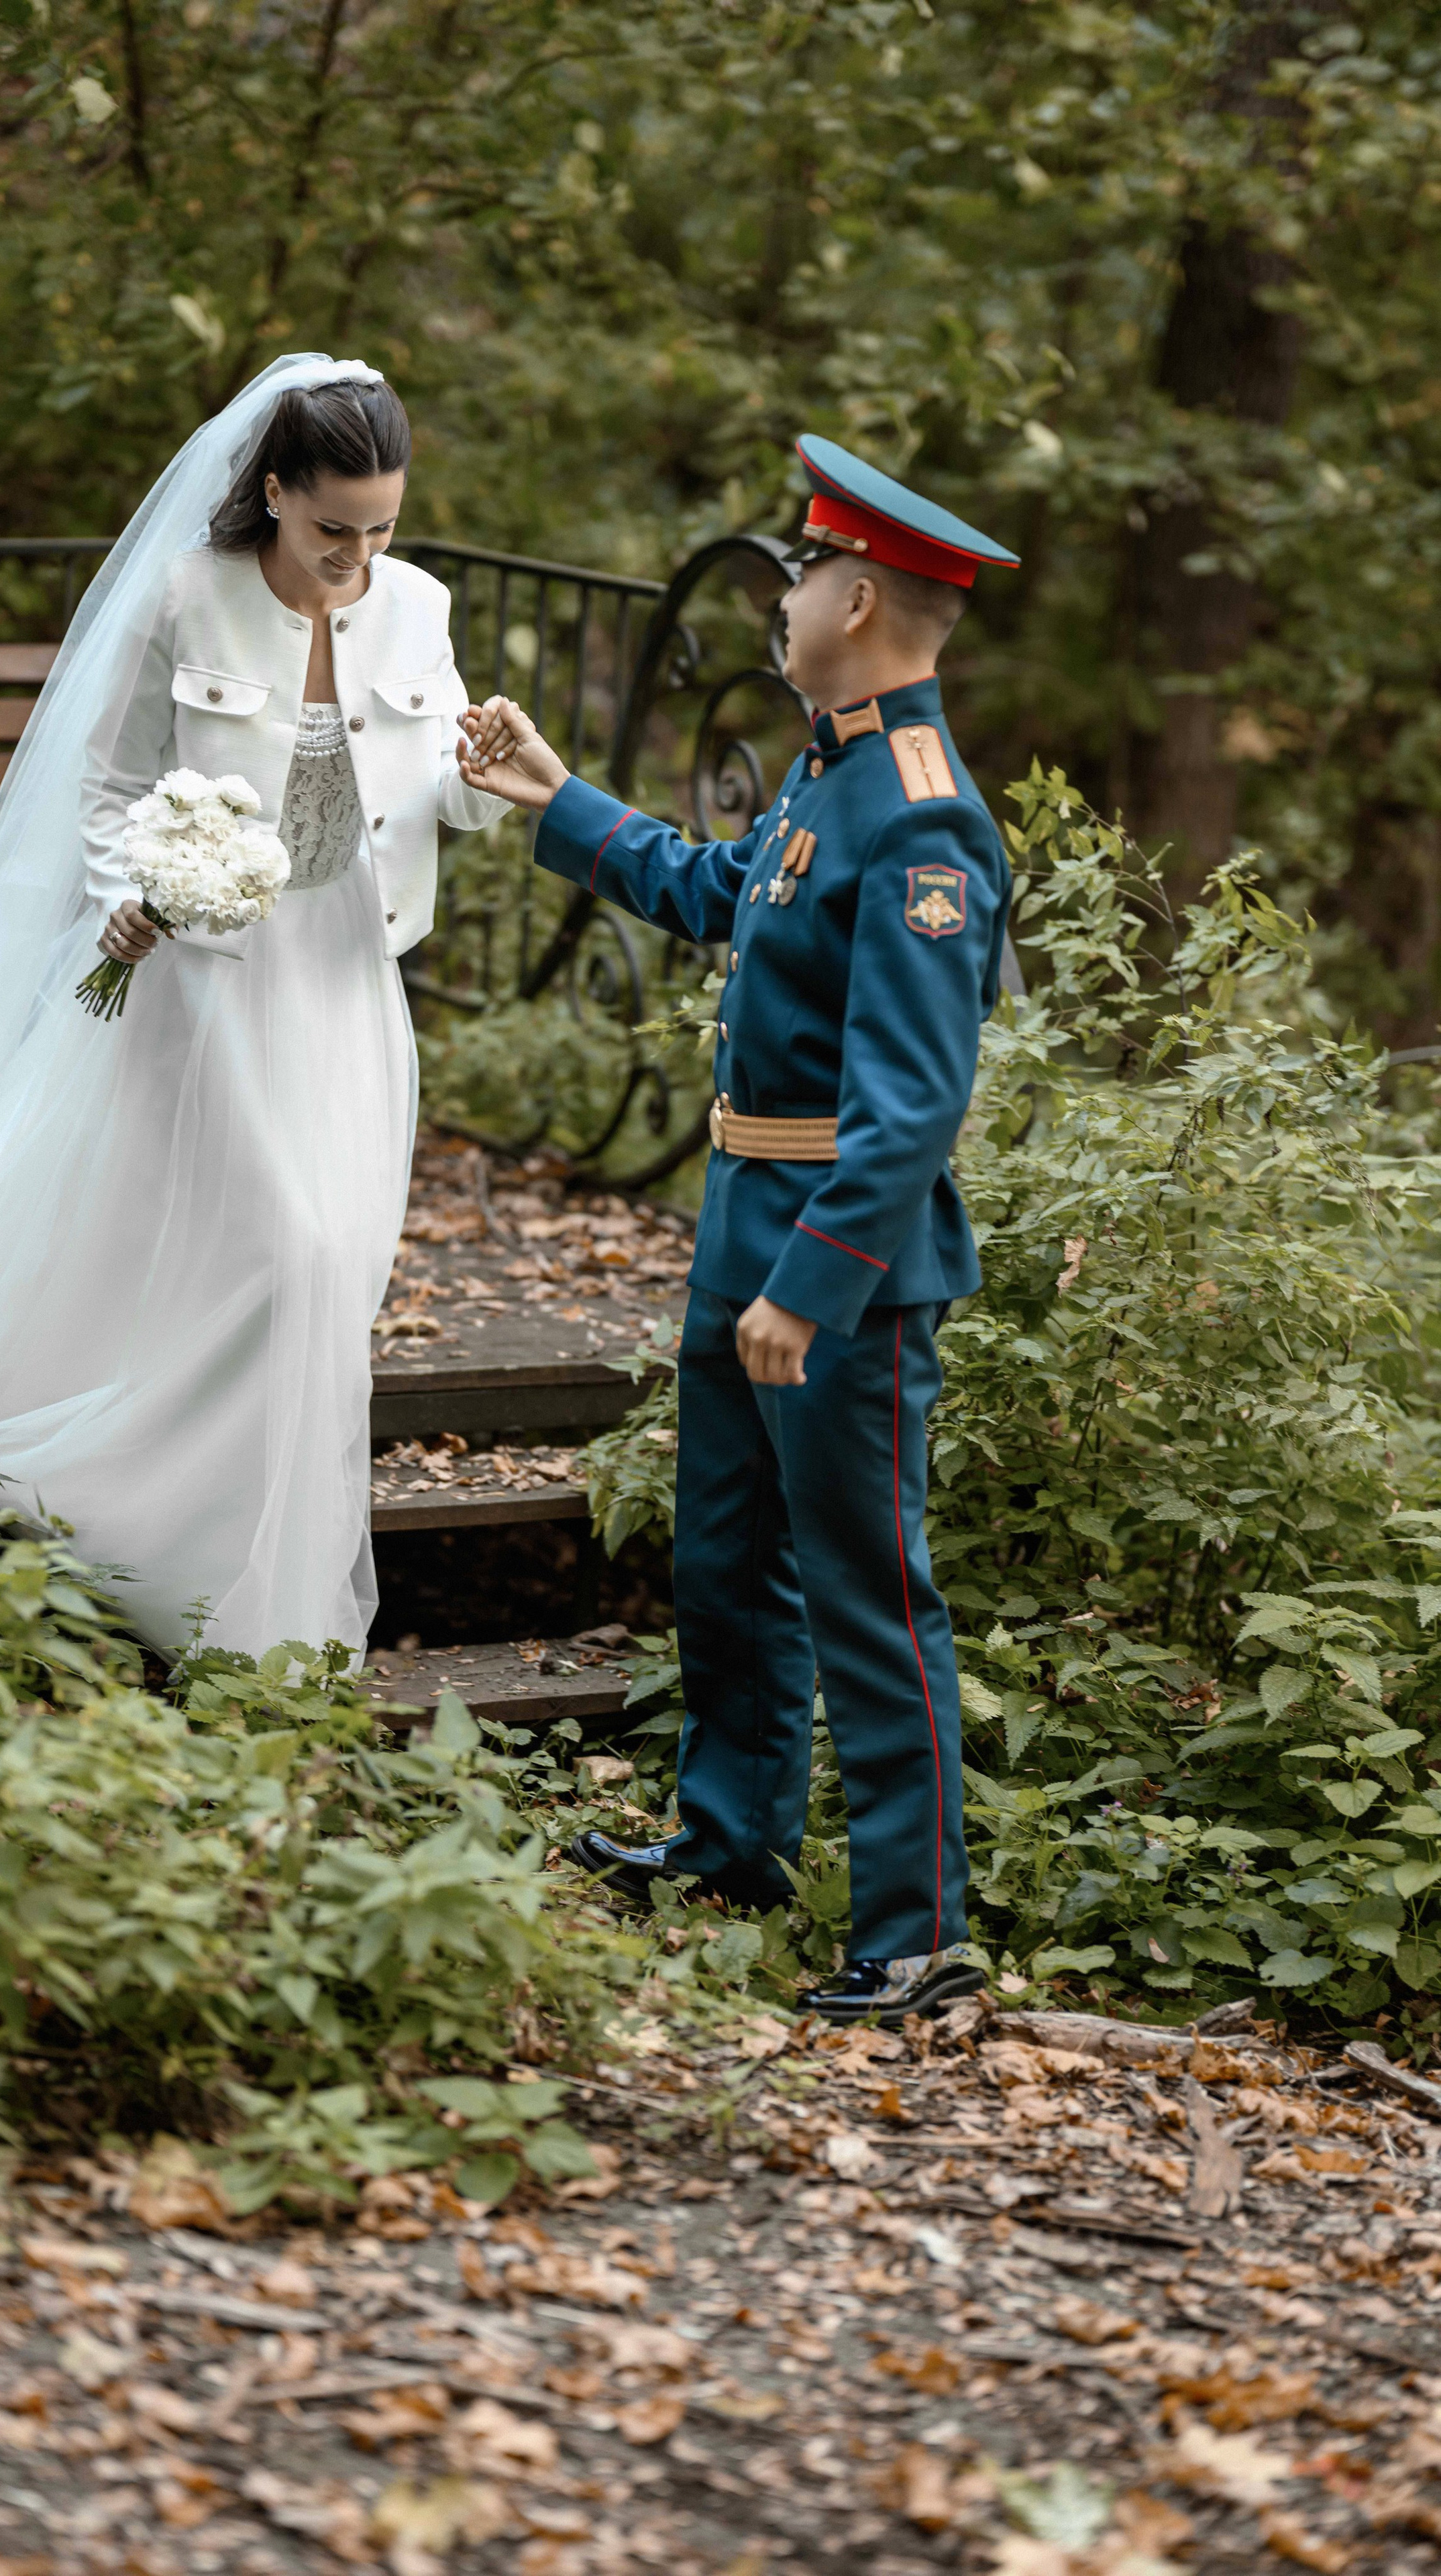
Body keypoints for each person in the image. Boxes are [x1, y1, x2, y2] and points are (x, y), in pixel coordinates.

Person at [0, 355, 505, 1658]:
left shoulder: (417, 605)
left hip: (345, 983)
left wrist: (486, 781)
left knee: (323, 1263)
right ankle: (240, 1592)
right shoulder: (182, 596)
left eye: (378, 528)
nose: (353, 557)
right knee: (293, 1252)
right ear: (272, 493)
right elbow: (102, 787)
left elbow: (434, 797)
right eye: (329, 530)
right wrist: (139, 897)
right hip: (201, 981)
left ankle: (224, 1530)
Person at [457, 435, 1018, 2022]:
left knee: (866, 1584)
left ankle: (915, 1935)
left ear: (853, 599)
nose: (780, 605)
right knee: (724, 1557)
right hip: (743, 1217)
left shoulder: (921, 821)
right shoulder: (829, 765)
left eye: (795, 581)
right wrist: (555, 799)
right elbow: (724, 894)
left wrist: (816, 1283)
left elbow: (911, 1106)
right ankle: (729, 1846)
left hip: (837, 1259)